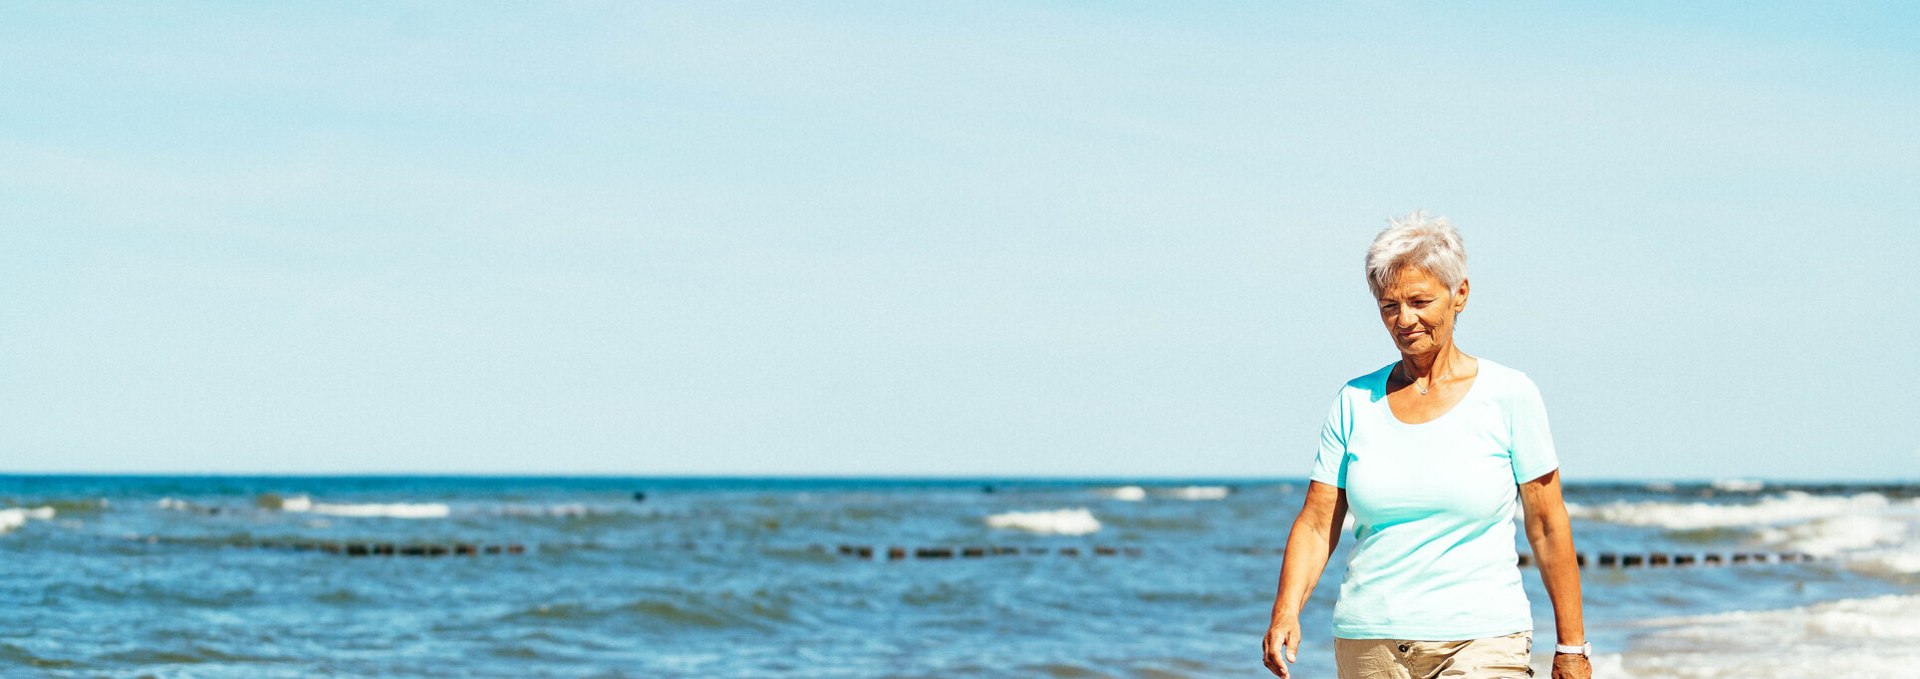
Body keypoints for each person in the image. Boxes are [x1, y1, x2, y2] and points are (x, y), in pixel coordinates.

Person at [1261, 212, 1591, 679]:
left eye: (1420, 301)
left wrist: (1572, 647)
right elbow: (1317, 524)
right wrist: (1286, 611)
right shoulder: (1354, 401)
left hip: (1482, 641)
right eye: (1389, 305)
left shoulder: (1510, 395)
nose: (1405, 320)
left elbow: (1547, 524)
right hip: (1369, 644)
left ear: (1460, 295)